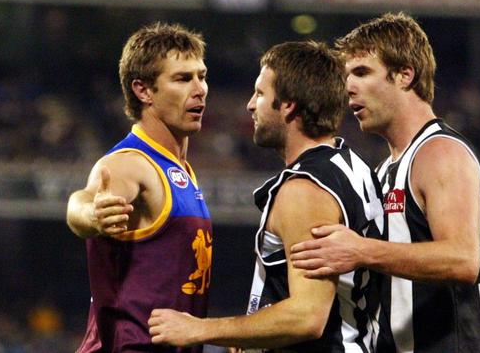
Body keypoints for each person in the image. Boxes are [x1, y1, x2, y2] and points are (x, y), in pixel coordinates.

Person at [148, 41, 386, 352]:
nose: (250, 105)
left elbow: (307, 317)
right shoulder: (351, 165)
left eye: (260, 94)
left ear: (288, 105)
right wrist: (248, 335)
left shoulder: (305, 190)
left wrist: (200, 328)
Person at [290, 12, 480, 353]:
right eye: (346, 76)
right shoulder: (387, 169)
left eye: (361, 72)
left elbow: (462, 259)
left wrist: (359, 249)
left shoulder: (440, 152)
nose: (348, 88)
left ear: (404, 75)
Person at [66, 22, 212, 353]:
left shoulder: (180, 169)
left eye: (201, 76)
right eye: (182, 78)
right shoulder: (131, 162)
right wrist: (93, 214)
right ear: (143, 90)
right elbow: (80, 203)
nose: (199, 88)